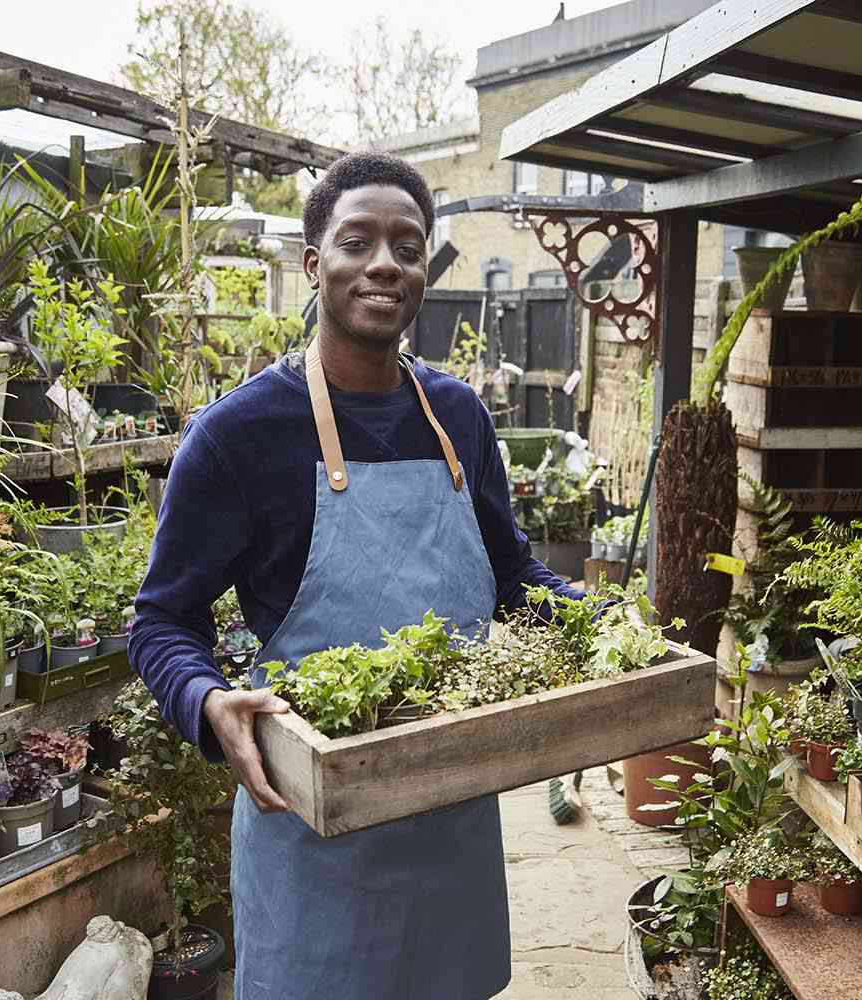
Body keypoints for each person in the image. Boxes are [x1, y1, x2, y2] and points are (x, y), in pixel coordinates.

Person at [130, 151, 586, 1000]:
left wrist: (604, 627)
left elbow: (512, 571)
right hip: (312, 827)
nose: (385, 263)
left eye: (407, 247)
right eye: (358, 241)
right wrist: (205, 700)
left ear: (422, 269)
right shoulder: (238, 435)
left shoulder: (458, 418)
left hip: (451, 806)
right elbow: (161, 618)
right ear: (314, 263)